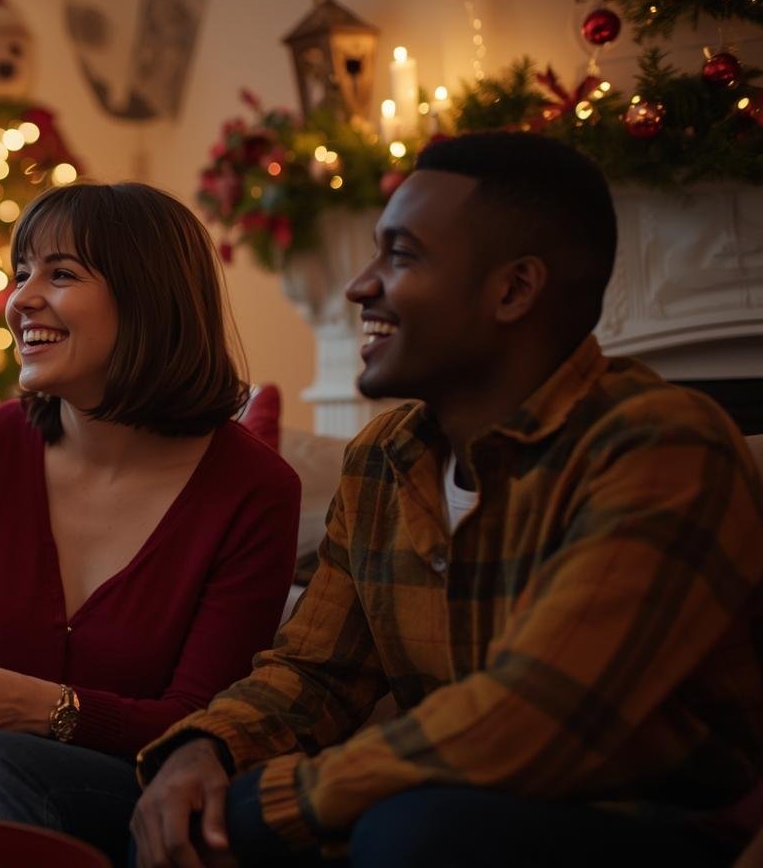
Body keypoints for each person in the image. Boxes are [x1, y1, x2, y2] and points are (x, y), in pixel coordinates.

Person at [132, 132, 763, 868]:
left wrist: (274, 803)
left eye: (400, 256)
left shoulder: (658, 445)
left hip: (650, 825)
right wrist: (205, 751)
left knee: (411, 832)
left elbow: (534, 714)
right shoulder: (383, 458)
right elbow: (316, 672)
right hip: (435, 805)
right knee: (156, 815)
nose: (359, 286)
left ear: (514, 290)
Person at [0, 181, 301, 865]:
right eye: (21, 274)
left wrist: (51, 709)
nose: (21, 299)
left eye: (61, 274)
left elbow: (204, 724)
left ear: (148, 297)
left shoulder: (254, 489)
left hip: (128, 784)